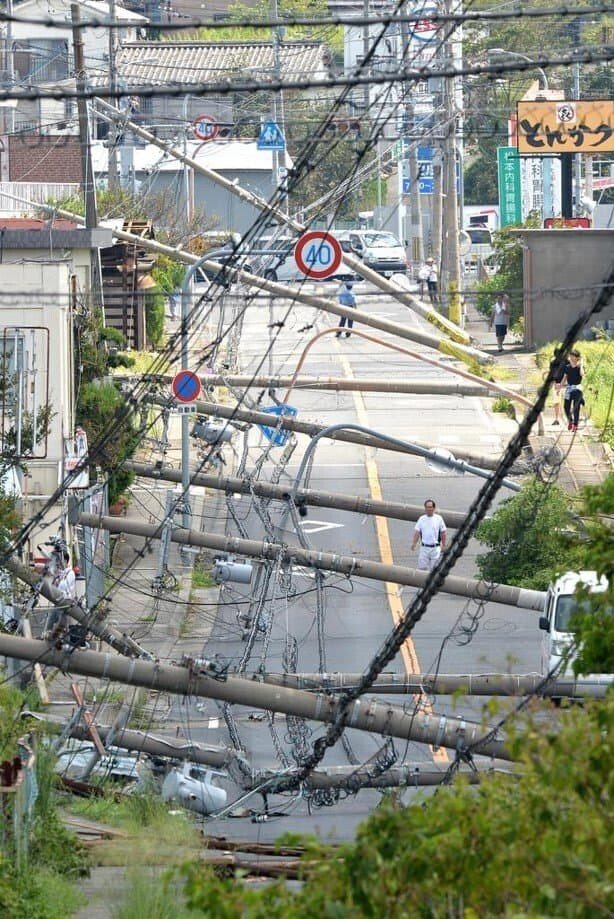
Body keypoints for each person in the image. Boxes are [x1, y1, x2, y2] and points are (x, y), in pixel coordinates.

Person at [411, 499, 447, 571]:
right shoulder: (422, 519)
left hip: (435, 548)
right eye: (427, 507)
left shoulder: (438, 518)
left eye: (430, 507)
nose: (429, 509)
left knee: (435, 570)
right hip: (424, 548)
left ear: (434, 508)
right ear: (425, 508)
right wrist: (414, 543)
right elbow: (417, 532)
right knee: (422, 568)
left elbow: (443, 532)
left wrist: (444, 545)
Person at [560, 349, 585, 433]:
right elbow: (565, 377)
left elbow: (582, 374)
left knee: (576, 408)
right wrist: (560, 387)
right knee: (566, 407)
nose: (571, 357)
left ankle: (575, 425)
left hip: (577, 389)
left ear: (577, 357)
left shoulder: (579, 367)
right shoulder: (567, 367)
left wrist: (581, 365)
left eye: (573, 356)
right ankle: (570, 421)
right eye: (570, 355)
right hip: (569, 389)